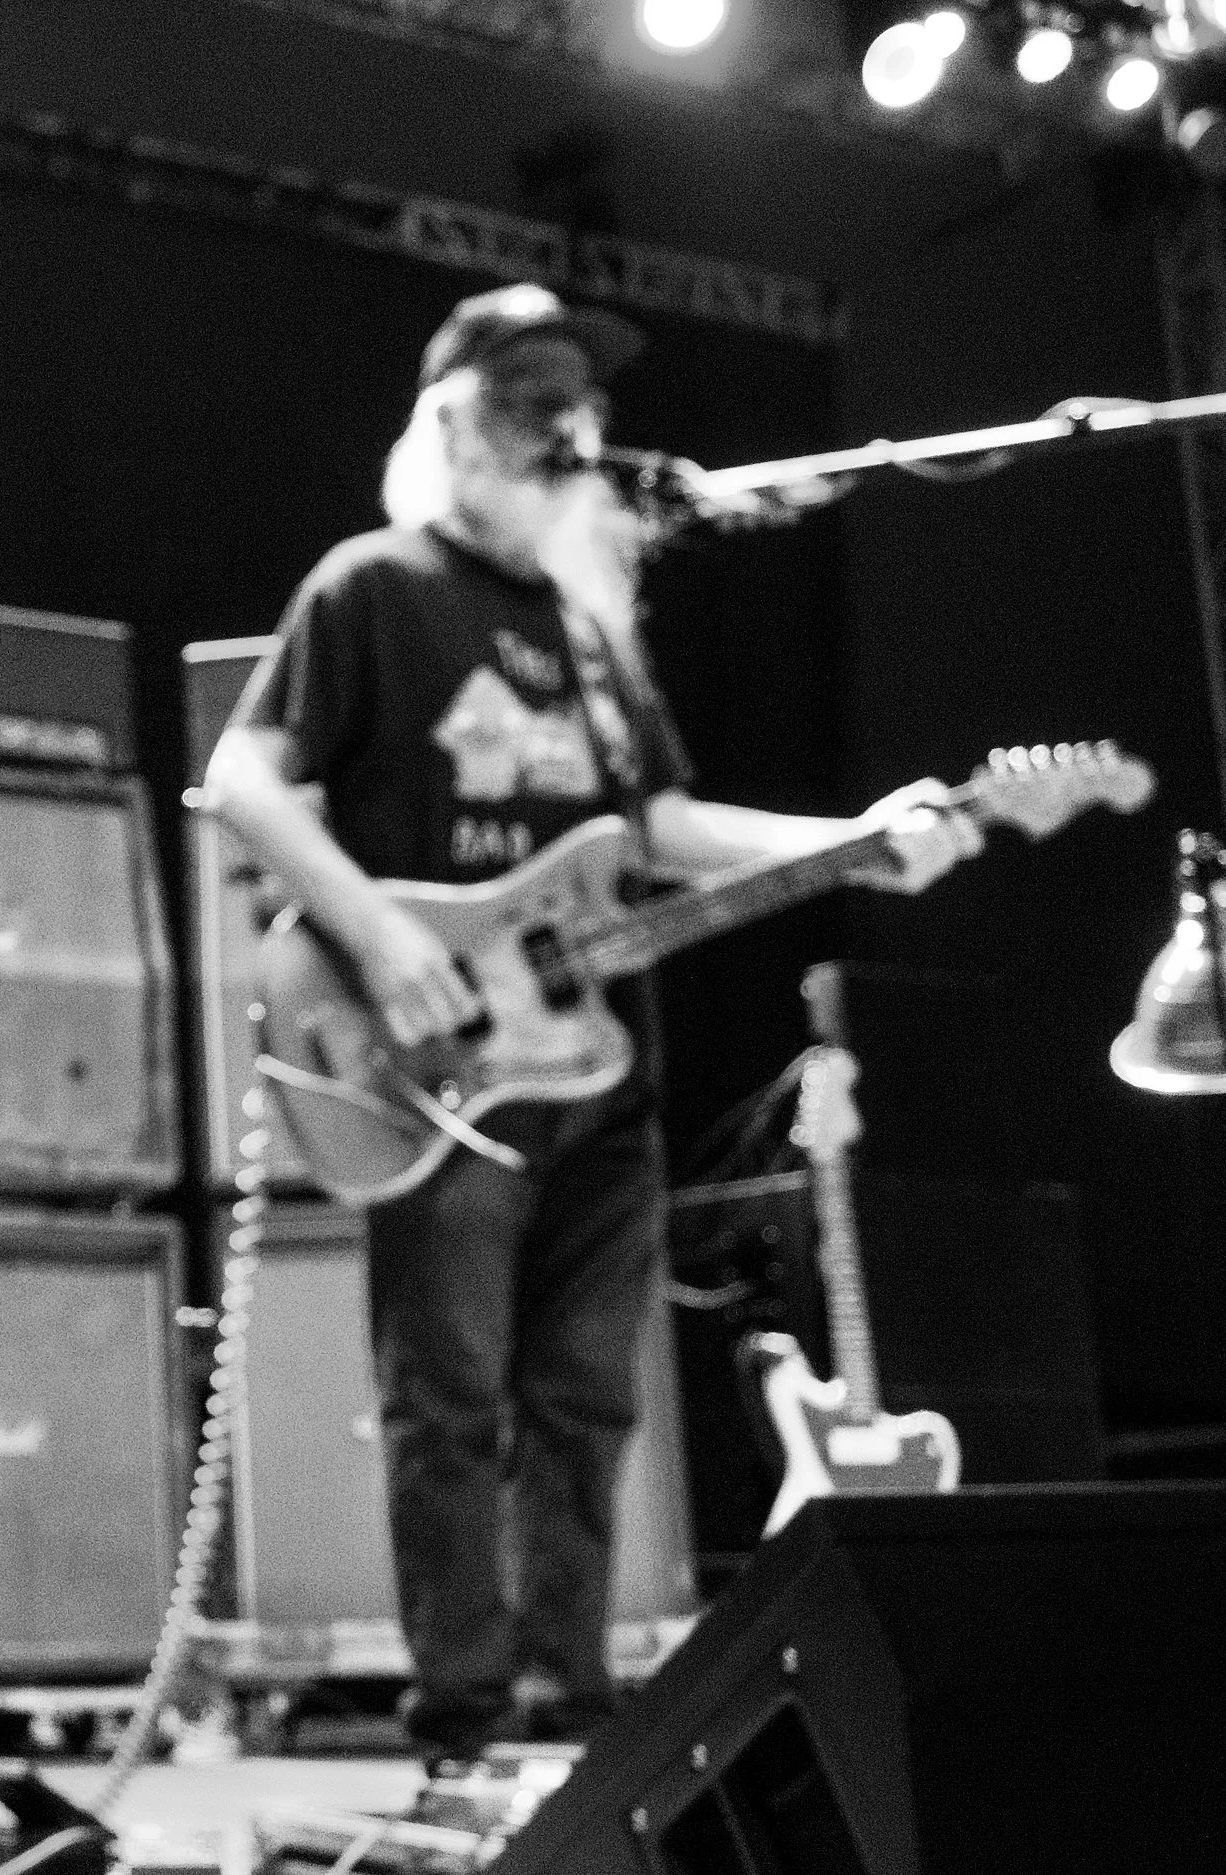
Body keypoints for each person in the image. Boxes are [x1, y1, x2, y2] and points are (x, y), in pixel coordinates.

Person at [200, 282, 979, 1760]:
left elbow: (664, 821)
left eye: (584, 402)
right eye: (533, 398)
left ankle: (572, 1714)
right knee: (449, 1397)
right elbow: (242, 775)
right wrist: (378, 932)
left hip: (601, 1068)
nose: (571, 425)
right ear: (455, 426)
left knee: (586, 1397)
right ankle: (462, 1717)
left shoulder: (591, 633)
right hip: (435, 1063)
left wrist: (859, 832)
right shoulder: (372, 587)